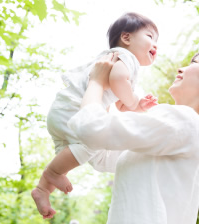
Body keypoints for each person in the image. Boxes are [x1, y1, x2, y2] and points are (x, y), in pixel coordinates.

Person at [64, 48, 199, 223]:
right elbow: (103, 158)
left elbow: (91, 128)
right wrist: (108, 101)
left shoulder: (185, 121)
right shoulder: (187, 129)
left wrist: (96, 82)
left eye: (194, 62)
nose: (181, 68)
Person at [31, 12, 158, 218]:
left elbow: (118, 102)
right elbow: (118, 80)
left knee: (69, 155)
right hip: (74, 111)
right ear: (126, 38)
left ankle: (43, 189)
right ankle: (52, 174)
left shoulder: (114, 59)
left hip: (64, 111)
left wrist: (134, 106)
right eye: (150, 37)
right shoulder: (126, 57)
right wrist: (134, 101)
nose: (155, 45)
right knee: (93, 142)